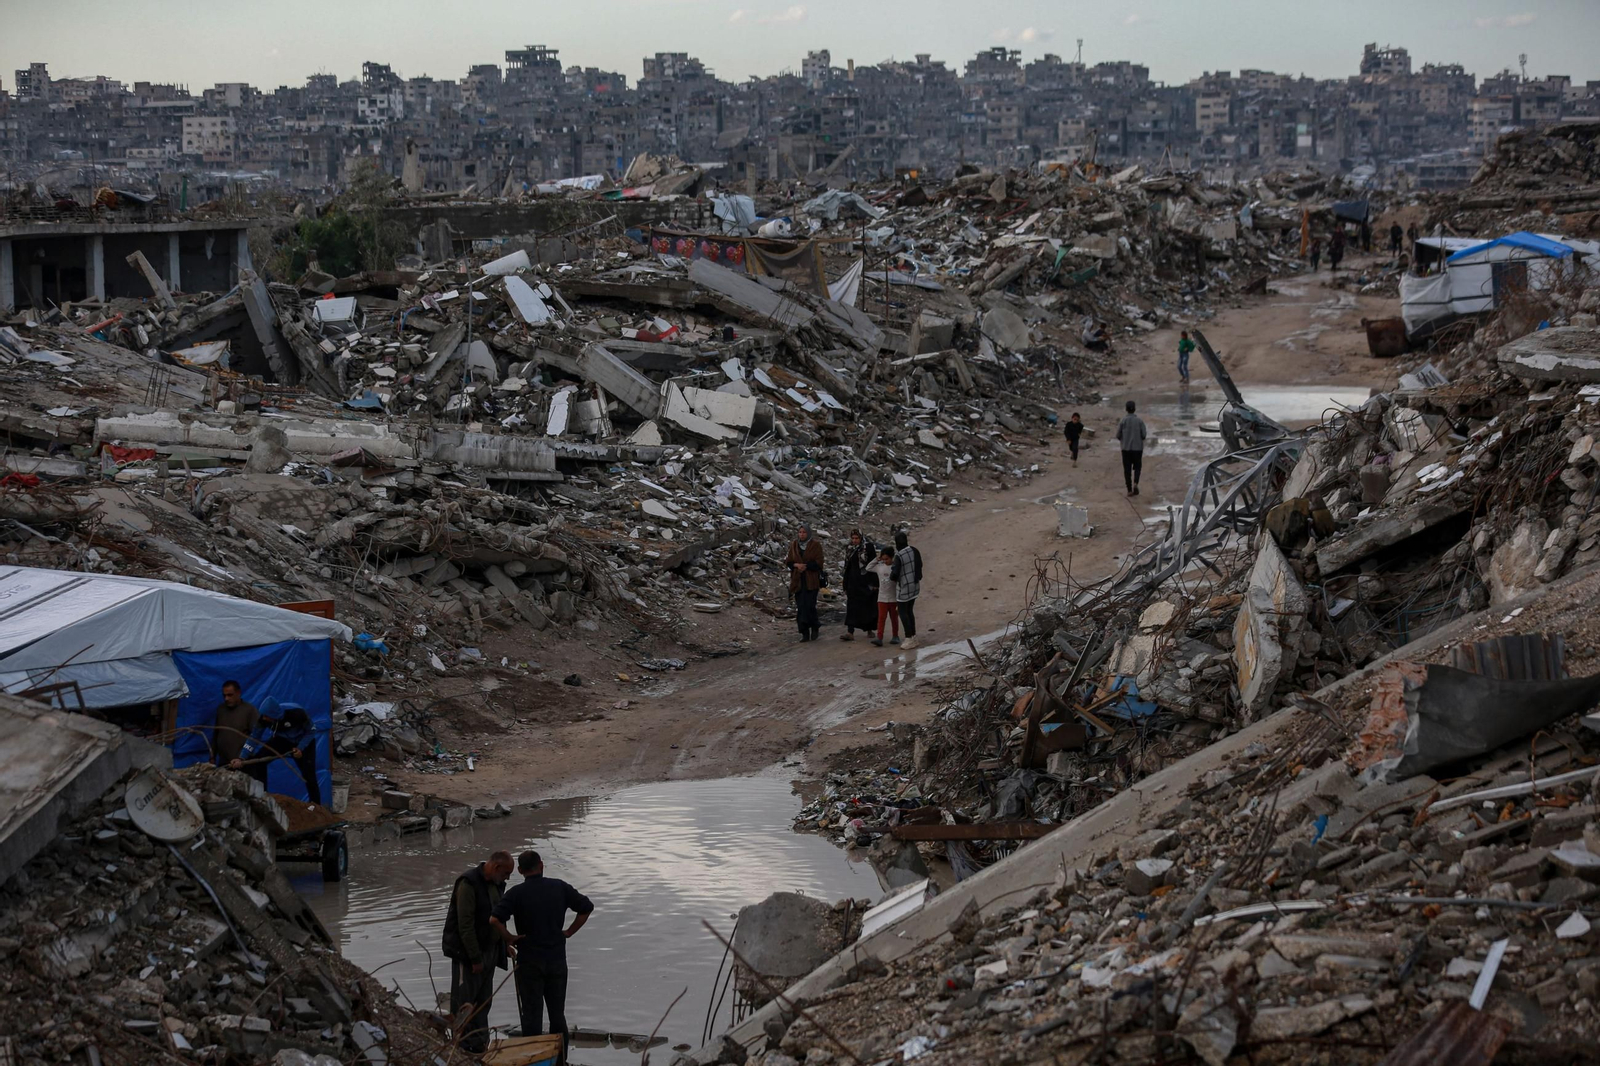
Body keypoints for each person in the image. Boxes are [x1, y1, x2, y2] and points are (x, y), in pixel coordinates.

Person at [490, 851, 594, 1055]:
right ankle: (561, 1059)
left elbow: (494, 920)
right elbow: (586, 908)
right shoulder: (559, 887)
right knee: (557, 1015)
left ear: (520, 871)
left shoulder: (516, 893)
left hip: (529, 962)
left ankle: (534, 1059)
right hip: (556, 960)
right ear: (542, 866)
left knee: (531, 1016)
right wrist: (569, 932)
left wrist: (509, 938)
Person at [442, 851, 515, 1054]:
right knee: (465, 1003)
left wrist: (504, 944)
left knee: (484, 1002)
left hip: (490, 952)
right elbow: (465, 925)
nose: (508, 877)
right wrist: (474, 958)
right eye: (507, 873)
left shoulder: (496, 884)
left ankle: (479, 1046)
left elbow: (497, 918)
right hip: (469, 955)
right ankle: (461, 1047)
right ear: (496, 867)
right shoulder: (468, 883)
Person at [229, 698, 321, 805]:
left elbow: (312, 731)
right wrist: (242, 757)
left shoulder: (296, 713)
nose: (263, 718)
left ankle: (316, 806)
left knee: (309, 775)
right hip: (282, 740)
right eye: (263, 716)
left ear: (274, 715)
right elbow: (254, 737)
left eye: (266, 716)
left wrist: (300, 748)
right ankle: (262, 797)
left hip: (303, 741)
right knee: (259, 761)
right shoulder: (263, 719)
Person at [786, 524, 824, 642]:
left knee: (810, 606)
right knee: (801, 607)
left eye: (804, 532)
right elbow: (789, 562)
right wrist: (797, 565)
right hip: (798, 582)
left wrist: (806, 566)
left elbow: (819, 563)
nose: (802, 534)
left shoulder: (815, 545)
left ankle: (814, 627)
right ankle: (804, 632)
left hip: (811, 581)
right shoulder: (794, 545)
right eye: (800, 532)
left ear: (808, 533)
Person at [839, 530, 878, 641]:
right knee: (852, 607)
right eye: (853, 538)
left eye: (857, 538)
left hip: (865, 582)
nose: (855, 540)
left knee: (867, 606)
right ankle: (850, 632)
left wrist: (875, 583)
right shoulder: (850, 549)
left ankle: (869, 630)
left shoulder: (868, 548)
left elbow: (873, 565)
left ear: (861, 538)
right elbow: (847, 567)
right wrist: (845, 584)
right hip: (853, 583)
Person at [212, 679, 258, 766]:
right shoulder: (221, 710)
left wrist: (242, 757)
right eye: (224, 695)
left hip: (243, 763)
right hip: (224, 763)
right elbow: (216, 734)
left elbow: (255, 738)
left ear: (238, 693)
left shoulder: (249, 710)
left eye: (230, 695)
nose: (226, 698)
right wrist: (212, 756)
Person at [891, 529, 923, 650]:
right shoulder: (914, 550)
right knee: (910, 611)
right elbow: (920, 565)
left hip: (904, 588)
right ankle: (914, 636)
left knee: (903, 612)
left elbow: (895, 573)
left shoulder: (898, 556)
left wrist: (892, 577)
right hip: (915, 586)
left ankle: (909, 637)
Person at [866, 547, 899, 647]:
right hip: (882, 598)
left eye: (887, 559)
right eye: (883, 559)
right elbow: (868, 567)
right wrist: (877, 559)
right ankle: (879, 637)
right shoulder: (880, 567)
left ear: (892, 557)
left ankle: (895, 636)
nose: (885, 561)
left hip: (893, 598)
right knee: (881, 618)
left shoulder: (895, 567)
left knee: (894, 618)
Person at [1117, 400, 1147, 497]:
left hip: (1126, 449)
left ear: (1126, 409)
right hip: (1138, 449)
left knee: (1127, 469)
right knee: (1137, 467)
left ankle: (1129, 490)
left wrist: (1124, 439)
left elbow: (1118, 435)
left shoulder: (1123, 421)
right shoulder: (1139, 421)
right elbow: (1144, 435)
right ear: (1135, 409)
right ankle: (1136, 483)